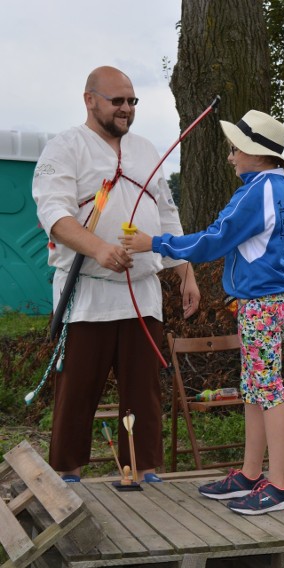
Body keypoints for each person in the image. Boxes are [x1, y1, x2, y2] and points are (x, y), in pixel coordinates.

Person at [122, 110, 284, 515]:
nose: (230, 157)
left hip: (261, 303)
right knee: (257, 390)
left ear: (256, 153)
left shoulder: (257, 191)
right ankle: (250, 474)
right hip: (272, 300)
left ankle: (279, 485)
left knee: (268, 391)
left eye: (235, 149)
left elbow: (213, 241)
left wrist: (155, 242)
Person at [32, 66, 200, 483]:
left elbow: (166, 214)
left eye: (132, 101)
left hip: (142, 294)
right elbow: (53, 215)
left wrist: (186, 271)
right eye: (118, 101)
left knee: (143, 393)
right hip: (87, 296)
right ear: (90, 100)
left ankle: (142, 473)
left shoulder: (145, 149)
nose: (127, 109)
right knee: (77, 394)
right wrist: (99, 249)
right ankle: (67, 478)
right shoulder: (65, 148)